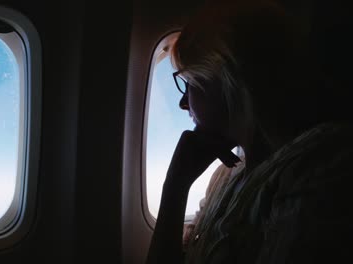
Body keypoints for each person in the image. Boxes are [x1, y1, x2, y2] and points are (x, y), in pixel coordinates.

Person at [146, 0, 353, 263]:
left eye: (189, 83)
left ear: (230, 79)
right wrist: (175, 186)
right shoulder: (225, 176)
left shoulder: (319, 169)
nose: (183, 102)